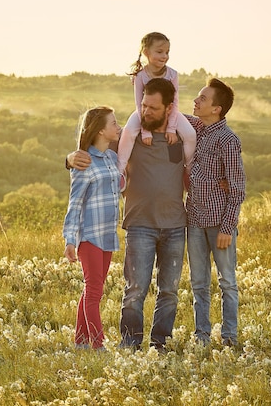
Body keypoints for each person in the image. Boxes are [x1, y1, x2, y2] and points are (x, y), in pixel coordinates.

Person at [68, 78, 186, 351]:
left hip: (175, 226)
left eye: (153, 108)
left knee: (168, 292)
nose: (146, 111)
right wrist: (69, 158)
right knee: (134, 291)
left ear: (169, 109)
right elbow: (89, 151)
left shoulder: (180, 133)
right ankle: (128, 344)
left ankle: (160, 345)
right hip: (139, 225)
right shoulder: (125, 139)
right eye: (143, 105)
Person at [184, 78, 246, 347]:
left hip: (219, 222)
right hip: (194, 219)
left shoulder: (228, 140)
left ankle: (229, 337)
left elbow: (237, 188)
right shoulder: (197, 127)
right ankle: (202, 337)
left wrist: (226, 227)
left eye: (202, 99)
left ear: (217, 109)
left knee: (227, 283)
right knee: (198, 283)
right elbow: (174, 114)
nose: (196, 102)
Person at [62, 106, 122, 350]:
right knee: (94, 291)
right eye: (114, 124)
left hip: (108, 233)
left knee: (93, 290)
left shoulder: (112, 157)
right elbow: (74, 204)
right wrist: (70, 240)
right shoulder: (83, 161)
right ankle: (98, 346)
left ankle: (80, 342)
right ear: (100, 130)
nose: (119, 127)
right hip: (89, 236)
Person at [117, 32, 196, 174]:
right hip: (144, 112)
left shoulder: (172, 74)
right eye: (160, 52)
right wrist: (145, 130)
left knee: (190, 134)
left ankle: (189, 170)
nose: (164, 56)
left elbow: (175, 101)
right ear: (146, 52)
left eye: (167, 52)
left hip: (171, 111)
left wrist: (171, 128)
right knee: (128, 132)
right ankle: (119, 171)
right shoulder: (140, 76)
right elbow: (139, 103)